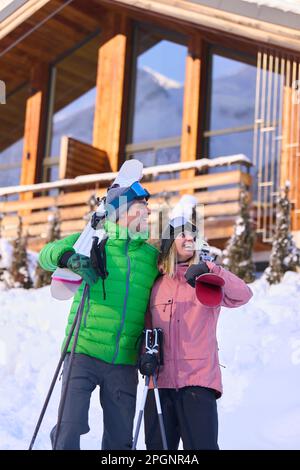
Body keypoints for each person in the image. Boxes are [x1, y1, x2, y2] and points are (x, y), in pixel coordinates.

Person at [38, 166, 159, 450]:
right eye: (142, 207)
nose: (149, 213)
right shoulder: (93, 240)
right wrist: (67, 257)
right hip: (83, 350)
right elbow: (46, 255)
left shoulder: (151, 256)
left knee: (119, 441)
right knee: (69, 428)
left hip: (124, 361)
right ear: (124, 212)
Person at [144, 217, 253, 450]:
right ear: (169, 242)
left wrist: (212, 269)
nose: (189, 239)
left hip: (197, 383)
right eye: (182, 234)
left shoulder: (206, 280)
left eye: (193, 235)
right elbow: (146, 328)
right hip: (159, 383)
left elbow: (243, 295)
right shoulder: (155, 284)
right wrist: (144, 355)